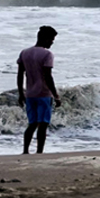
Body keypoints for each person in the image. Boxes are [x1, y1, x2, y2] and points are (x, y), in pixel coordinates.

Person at [17, 25, 62, 154]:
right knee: (43, 124)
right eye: (51, 40)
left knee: (32, 124)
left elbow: (20, 75)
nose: (52, 43)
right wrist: (56, 95)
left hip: (30, 94)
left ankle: (25, 150)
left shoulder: (24, 53)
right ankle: (39, 152)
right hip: (44, 93)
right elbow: (48, 76)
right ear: (45, 38)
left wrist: (21, 93)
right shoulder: (47, 54)